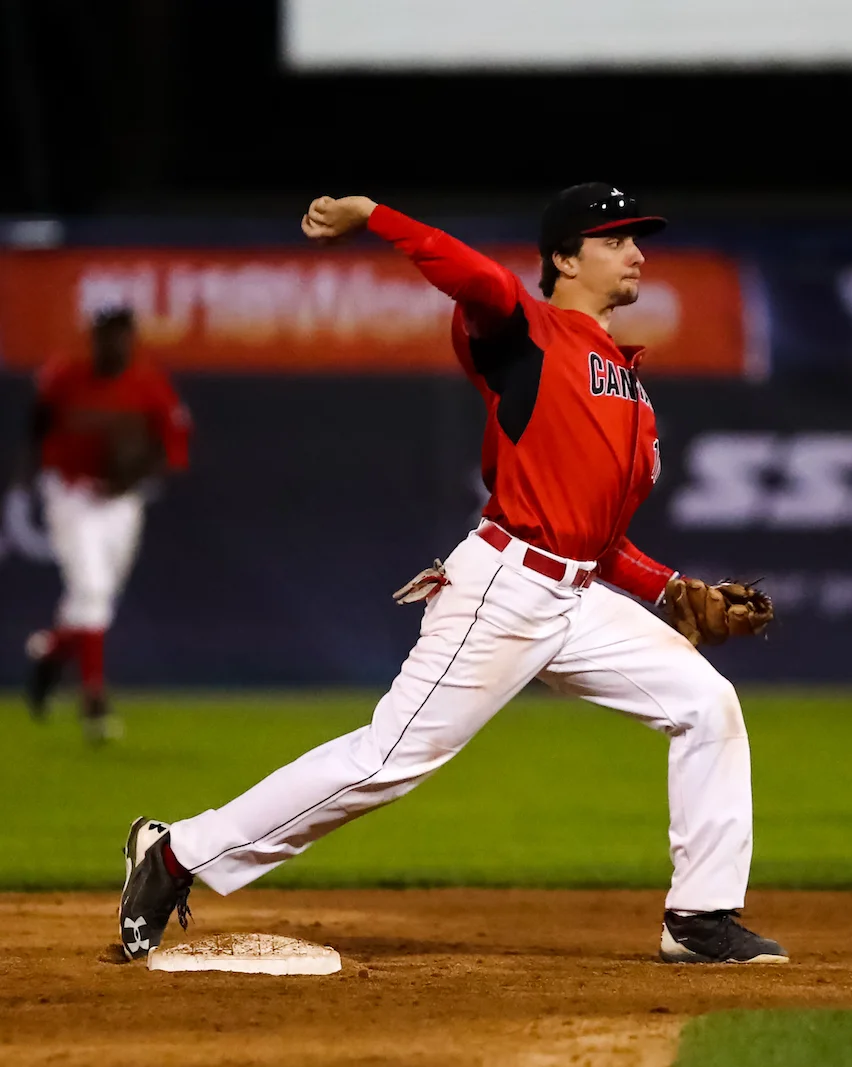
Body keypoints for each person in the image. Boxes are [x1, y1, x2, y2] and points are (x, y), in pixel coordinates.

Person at [115, 185, 786, 966]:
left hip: (574, 597)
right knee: (388, 759)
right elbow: (472, 278)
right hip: (503, 588)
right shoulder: (528, 333)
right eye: (615, 238)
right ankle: (174, 854)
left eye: (637, 237)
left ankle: (699, 916)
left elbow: (596, 538)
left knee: (706, 702)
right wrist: (374, 217)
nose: (636, 250)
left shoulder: (627, 386)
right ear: (564, 259)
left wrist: (669, 589)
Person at [19, 306, 190, 743]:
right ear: (93, 338)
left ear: (130, 340)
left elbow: (170, 447)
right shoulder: (66, 374)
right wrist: (38, 472)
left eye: (119, 337)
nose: (111, 346)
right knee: (92, 592)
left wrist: (130, 472)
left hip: (120, 500)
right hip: (72, 493)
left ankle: (50, 653)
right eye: (104, 336)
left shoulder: (148, 382)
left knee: (96, 599)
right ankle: (94, 698)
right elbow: (38, 424)